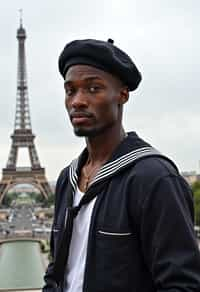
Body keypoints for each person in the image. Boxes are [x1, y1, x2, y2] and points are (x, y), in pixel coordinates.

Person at [43, 39, 200, 292]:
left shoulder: (154, 180)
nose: (77, 101)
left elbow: (182, 285)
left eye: (93, 88)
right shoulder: (67, 178)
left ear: (122, 95)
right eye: (70, 90)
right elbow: (57, 272)